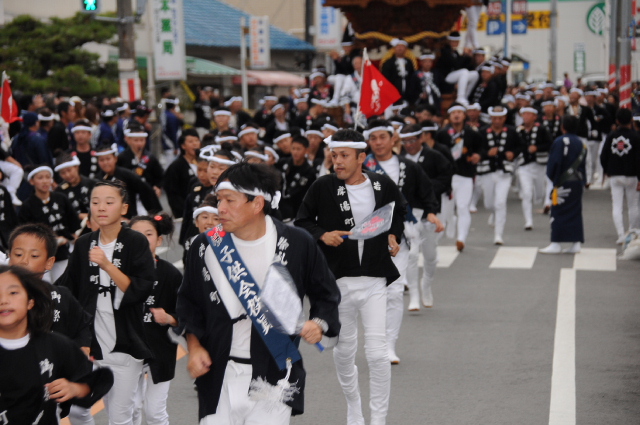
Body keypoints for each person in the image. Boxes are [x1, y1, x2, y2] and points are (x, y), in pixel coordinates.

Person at [177, 162, 341, 425]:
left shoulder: (296, 243)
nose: (221, 209)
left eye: (229, 200)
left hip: (274, 377)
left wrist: (319, 323)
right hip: (219, 373)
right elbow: (189, 303)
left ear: (257, 203)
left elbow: (326, 294)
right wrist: (195, 347)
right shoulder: (205, 245)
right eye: (219, 200)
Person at [296, 129, 405, 425]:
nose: (338, 161)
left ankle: (379, 419)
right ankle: (354, 408)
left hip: (374, 280)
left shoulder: (382, 184)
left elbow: (398, 211)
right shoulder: (323, 186)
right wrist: (323, 234)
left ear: (361, 158)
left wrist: (394, 235)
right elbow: (302, 221)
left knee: (378, 354)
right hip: (337, 284)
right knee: (344, 352)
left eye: (344, 155)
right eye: (334, 155)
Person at [58, 180, 156, 425]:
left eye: (109, 202)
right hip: (90, 345)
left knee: (120, 416)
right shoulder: (84, 243)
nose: (101, 207)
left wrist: (107, 265)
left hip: (125, 343)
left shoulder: (136, 241)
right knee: (78, 410)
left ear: (124, 208)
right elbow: (66, 288)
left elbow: (141, 289)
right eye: (95, 202)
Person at [365, 122, 443, 364]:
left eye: (383, 137)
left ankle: (389, 345)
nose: (378, 142)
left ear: (393, 140)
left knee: (395, 291)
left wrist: (431, 212)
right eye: (373, 138)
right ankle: (373, 340)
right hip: (367, 235)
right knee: (369, 293)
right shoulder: (361, 167)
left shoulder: (409, 167)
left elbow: (427, 191)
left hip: (399, 234)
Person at [0, 265, 113, 424]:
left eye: (13, 292)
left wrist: (75, 388)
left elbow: (99, 379)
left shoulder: (54, 345)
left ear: (30, 301)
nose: (3, 300)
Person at [7, 223, 96, 425]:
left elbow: (82, 327)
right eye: (18, 254)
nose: (24, 260)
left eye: (34, 255)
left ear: (49, 262)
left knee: (78, 413)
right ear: (9, 256)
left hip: (52, 385)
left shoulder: (61, 296)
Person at [130, 213, 182, 425]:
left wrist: (169, 318)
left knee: (154, 413)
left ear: (159, 240)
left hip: (160, 350)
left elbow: (186, 314)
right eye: (136, 234)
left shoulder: (171, 274)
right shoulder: (117, 271)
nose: (142, 239)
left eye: (148, 234)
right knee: (130, 409)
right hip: (127, 349)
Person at [400, 123, 452, 309]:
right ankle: (414, 295)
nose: (409, 145)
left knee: (430, 256)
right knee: (412, 254)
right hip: (408, 214)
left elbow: (446, 177)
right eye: (405, 141)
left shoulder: (434, 156)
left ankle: (427, 284)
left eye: (412, 140)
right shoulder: (399, 160)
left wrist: (426, 187)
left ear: (421, 138)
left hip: (429, 211)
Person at [18, 166, 80, 281]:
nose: (45, 181)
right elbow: (25, 234)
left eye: (48, 177)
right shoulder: (27, 206)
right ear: (32, 181)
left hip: (63, 252)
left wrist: (69, 237)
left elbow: (73, 223)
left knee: (63, 284)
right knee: (44, 287)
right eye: (40, 178)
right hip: (39, 255)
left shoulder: (60, 198)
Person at [435, 105, 483, 251]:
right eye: (453, 113)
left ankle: (461, 238)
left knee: (463, 207)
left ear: (464, 116)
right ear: (449, 116)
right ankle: (443, 230)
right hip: (446, 177)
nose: (456, 115)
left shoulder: (472, 133)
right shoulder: (442, 134)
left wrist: (478, 155)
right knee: (445, 210)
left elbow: (481, 148)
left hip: (465, 175)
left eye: (459, 113)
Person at [539, 116, 587, 254]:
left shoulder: (560, 141)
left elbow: (554, 163)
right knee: (575, 212)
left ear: (563, 127)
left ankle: (556, 243)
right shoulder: (581, 143)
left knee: (558, 211)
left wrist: (553, 179)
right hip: (577, 182)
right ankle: (576, 243)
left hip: (563, 182)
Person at [477, 106, 524, 245]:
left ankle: (498, 234)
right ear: (491, 118)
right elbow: (477, 149)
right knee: (489, 203)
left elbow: (520, 146)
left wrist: (513, 153)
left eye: (500, 118)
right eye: (494, 118)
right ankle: (493, 213)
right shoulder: (482, 132)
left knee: (500, 202)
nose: (497, 121)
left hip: (505, 172)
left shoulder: (512, 131)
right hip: (487, 171)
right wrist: (486, 153)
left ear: (504, 118)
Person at [599, 108, 640, 244]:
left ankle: (621, 235)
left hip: (615, 174)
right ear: (631, 120)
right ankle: (632, 232)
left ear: (617, 121)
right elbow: (639, 159)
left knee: (617, 206)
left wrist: (607, 170)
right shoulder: (636, 137)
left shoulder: (612, 136)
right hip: (632, 175)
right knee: (633, 205)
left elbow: (603, 155)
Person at [95, 143, 162, 218]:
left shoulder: (127, 175)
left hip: (129, 217)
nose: (105, 163)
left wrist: (154, 212)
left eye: (108, 159)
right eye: (101, 160)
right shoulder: (97, 179)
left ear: (115, 159)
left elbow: (145, 189)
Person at [516, 107, 552, 230]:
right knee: (527, 193)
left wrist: (537, 148)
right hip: (524, 166)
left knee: (539, 194)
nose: (526, 117)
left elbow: (549, 144)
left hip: (540, 165)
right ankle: (528, 221)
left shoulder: (541, 129)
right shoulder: (518, 130)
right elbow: (514, 146)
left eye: (528, 114)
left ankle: (543, 201)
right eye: (524, 114)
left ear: (534, 117)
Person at [117, 122, 164, 198]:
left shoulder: (150, 157)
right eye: (136, 140)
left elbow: (160, 175)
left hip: (147, 195)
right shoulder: (122, 158)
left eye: (142, 140)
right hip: (129, 196)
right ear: (128, 140)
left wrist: (158, 187)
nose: (139, 143)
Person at [163, 129, 201, 218]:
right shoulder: (176, 167)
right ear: (183, 146)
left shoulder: (204, 162)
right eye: (191, 142)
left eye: (197, 140)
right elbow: (173, 194)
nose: (195, 144)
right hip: (186, 212)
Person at [279, 136, 317, 222]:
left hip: (298, 209)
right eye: (293, 148)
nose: (295, 152)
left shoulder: (309, 171)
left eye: (299, 149)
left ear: (307, 150)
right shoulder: (283, 163)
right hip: (281, 206)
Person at [55, 152, 96, 223]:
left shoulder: (93, 184)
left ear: (76, 167)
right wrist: (78, 215)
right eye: (63, 173)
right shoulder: (59, 191)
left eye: (69, 170)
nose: (67, 175)